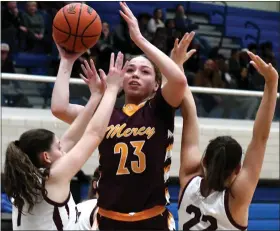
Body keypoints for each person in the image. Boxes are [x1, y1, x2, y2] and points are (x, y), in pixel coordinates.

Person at [51, 2, 188, 229]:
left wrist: (139, 40)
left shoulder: (159, 109)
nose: (135, 74)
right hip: (108, 219)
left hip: (152, 219)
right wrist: (67, 62)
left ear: (156, 85)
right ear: (121, 79)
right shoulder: (105, 115)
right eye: (130, 70)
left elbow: (179, 80)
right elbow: (60, 108)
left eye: (144, 71)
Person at [3, 51, 126, 230]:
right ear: (46, 156)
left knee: (94, 207)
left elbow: (72, 135)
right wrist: (112, 90)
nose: (64, 148)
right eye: (59, 147)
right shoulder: (53, 177)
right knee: (104, 207)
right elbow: (93, 134)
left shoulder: (28, 178)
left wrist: (68, 62)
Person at [178, 51, 279, 230]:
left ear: (204, 160)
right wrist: (271, 83)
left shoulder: (188, 180)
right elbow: (260, 138)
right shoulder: (237, 199)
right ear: (238, 169)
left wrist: (177, 66)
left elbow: (189, 116)